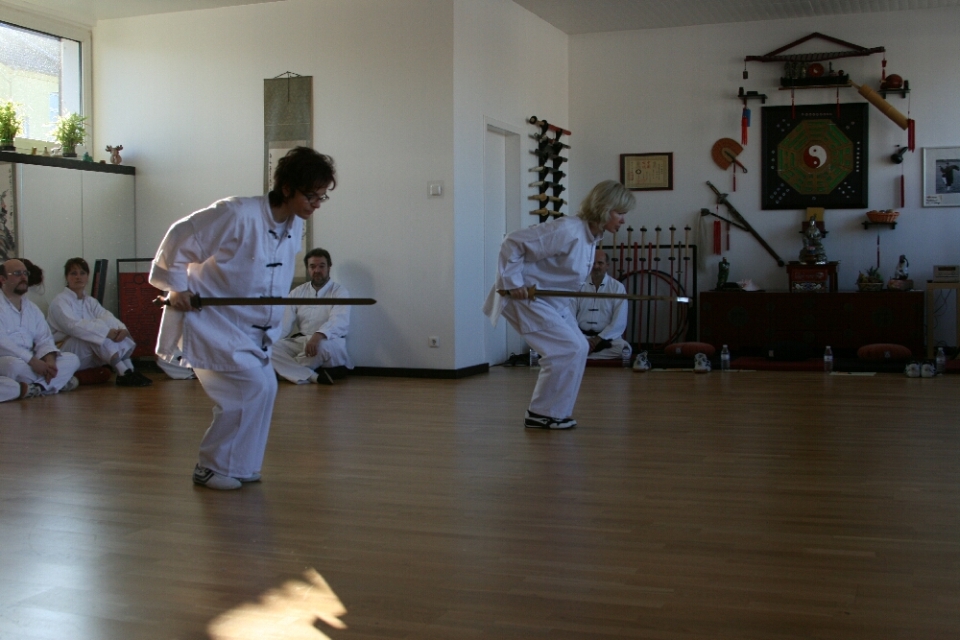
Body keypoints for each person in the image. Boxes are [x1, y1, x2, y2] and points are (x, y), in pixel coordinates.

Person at [149, 147, 336, 490]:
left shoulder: (293, 226)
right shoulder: (237, 213)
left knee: (265, 389)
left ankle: (239, 464)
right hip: (213, 320)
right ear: (287, 188)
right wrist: (176, 288)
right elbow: (180, 236)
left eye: (322, 196)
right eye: (311, 195)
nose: (317, 204)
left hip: (254, 329)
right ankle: (210, 466)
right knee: (250, 387)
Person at [483, 180, 635, 430]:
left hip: (555, 303)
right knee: (568, 348)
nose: (623, 220)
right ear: (605, 208)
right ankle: (540, 412)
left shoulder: (591, 237)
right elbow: (513, 243)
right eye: (620, 213)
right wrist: (512, 282)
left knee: (580, 348)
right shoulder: (568, 229)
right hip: (528, 299)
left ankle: (555, 412)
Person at [47, 257, 152, 387]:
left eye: (82, 273)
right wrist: (106, 332)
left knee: (105, 324)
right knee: (96, 331)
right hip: (65, 352)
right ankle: (123, 373)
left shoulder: (90, 301)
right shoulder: (60, 301)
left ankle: (130, 369)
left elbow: (106, 316)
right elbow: (73, 327)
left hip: (88, 354)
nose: (78, 277)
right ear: (67, 277)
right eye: (73, 273)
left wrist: (121, 329)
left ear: (87, 277)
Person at [272, 248, 353, 385]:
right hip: (303, 340)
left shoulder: (339, 292)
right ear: (308, 268)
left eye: (321, 266)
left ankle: (284, 372)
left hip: (329, 341)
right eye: (312, 266)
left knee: (320, 346)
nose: (317, 270)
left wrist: (318, 335)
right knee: (269, 348)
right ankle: (312, 376)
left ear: (329, 267)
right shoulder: (297, 292)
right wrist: (267, 340)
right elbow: (284, 325)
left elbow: (339, 321)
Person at [0, 259, 80, 395]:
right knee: (13, 365)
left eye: (25, 273)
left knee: (72, 359)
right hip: (8, 360)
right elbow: (3, 343)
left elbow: (44, 339)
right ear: (3, 279)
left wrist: (49, 361)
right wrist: (32, 361)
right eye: (17, 273)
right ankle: (54, 383)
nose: (23, 277)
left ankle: (37, 388)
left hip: (34, 363)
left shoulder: (32, 309)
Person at [574, 249, 631, 360]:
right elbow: (569, 315)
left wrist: (597, 339)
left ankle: (582, 357)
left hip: (606, 339)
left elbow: (619, 321)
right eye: (592, 263)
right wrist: (582, 338)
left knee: (624, 349)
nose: (596, 267)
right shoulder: (579, 285)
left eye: (600, 263)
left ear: (607, 265)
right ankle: (585, 354)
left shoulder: (617, 287)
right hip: (580, 337)